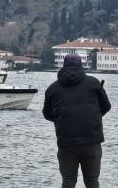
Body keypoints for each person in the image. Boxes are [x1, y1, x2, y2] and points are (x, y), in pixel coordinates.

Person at [43, 54, 111, 188]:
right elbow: (106, 107)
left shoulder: (52, 89)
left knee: (68, 182)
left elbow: (47, 114)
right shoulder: (94, 83)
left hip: (66, 143)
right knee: (92, 182)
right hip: (92, 141)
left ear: (64, 66)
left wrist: (63, 119)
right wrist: (92, 117)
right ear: (81, 66)